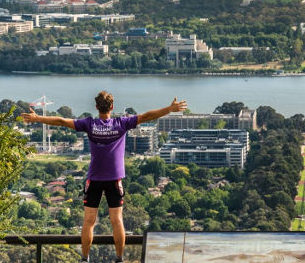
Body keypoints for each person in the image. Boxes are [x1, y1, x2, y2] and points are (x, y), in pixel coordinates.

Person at [21, 91, 187, 263]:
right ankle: (119, 259)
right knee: (117, 221)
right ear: (112, 107)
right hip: (114, 180)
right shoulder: (121, 123)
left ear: (96, 107)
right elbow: (147, 116)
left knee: (89, 222)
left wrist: (38, 119)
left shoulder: (90, 124)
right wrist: (170, 109)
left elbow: (62, 121)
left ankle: (84, 259)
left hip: (94, 179)